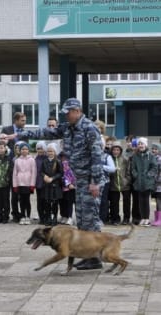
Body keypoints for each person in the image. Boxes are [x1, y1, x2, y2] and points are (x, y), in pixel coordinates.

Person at [17, 97, 105, 270]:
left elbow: (97, 157)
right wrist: (20, 134)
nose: (65, 116)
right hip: (80, 181)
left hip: (90, 182)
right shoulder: (68, 128)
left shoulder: (89, 128)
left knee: (91, 221)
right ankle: (89, 255)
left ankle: (96, 257)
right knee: (82, 221)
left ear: (77, 111)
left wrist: (94, 183)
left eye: (68, 113)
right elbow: (46, 132)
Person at [131, 137, 157, 227]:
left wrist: (149, 175)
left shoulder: (151, 156)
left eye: (142, 144)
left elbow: (154, 167)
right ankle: (142, 218)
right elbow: (133, 168)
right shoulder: (135, 156)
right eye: (139, 144)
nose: (140, 145)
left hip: (147, 182)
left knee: (146, 200)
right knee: (140, 201)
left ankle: (147, 219)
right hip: (139, 182)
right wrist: (136, 175)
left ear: (145, 145)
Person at [12, 142, 36, 225]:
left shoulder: (32, 160)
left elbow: (34, 173)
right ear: (20, 150)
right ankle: (22, 216)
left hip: (28, 184)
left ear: (28, 150)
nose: (24, 151)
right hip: (20, 184)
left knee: (27, 201)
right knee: (21, 201)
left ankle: (28, 217)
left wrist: (32, 184)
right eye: (22, 149)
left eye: (26, 149)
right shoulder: (17, 160)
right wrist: (15, 185)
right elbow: (15, 173)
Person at [108, 141, 132, 225]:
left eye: (118, 150)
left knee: (126, 203)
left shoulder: (125, 159)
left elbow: (128, 171)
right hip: (113, 184)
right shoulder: (109, 158)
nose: (116, 151)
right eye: (114, 150)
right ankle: (115, 218)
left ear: (120, 150)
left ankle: (126, 218)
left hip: (125, 184)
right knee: (114, 203)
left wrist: (127, 180)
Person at [41, 143, 63, 226]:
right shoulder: (44, 161)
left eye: (52, 151)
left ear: (55, 152)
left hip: (55, 185)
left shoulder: (58, 161)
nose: (50, 153)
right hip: (47, 185)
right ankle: (48, 218)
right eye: (48, 151)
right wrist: (44, 176)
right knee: (47, 203)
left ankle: (54, 218)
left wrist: (52, 178)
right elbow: (41, 171)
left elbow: (61, 173)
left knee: (54, 203)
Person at [59, 151, 76, 226]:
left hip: (74, 187)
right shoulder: (61, 164)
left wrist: (73, 184)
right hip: (64, 186)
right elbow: (62, 175)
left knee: (72, 202)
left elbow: (77, 174)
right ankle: (66, 216)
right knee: (65, 202)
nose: (64, 159)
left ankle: (72, 217)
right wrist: (68, 183)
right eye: (62, 157)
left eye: (65, 157)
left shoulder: (74, 164)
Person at [34, 141, 47, 225]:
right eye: (38, 148)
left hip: (46, 184)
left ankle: (47, 217)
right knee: (39, 201)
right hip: (38, 184)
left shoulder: (47, 158)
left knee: (46, 201)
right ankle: (41, 217)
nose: (40, 150)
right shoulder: (35, 159)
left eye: (41, 148)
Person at [151, 143, 161, 226]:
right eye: (153, 149)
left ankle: (159, 219)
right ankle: (157, 218)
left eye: (156, 149)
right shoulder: (152, 158)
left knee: (159, 201)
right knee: (157, 200)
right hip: (154, 184)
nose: (154, 150)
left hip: (159, 183)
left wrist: (157, 180)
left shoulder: (159, 159)